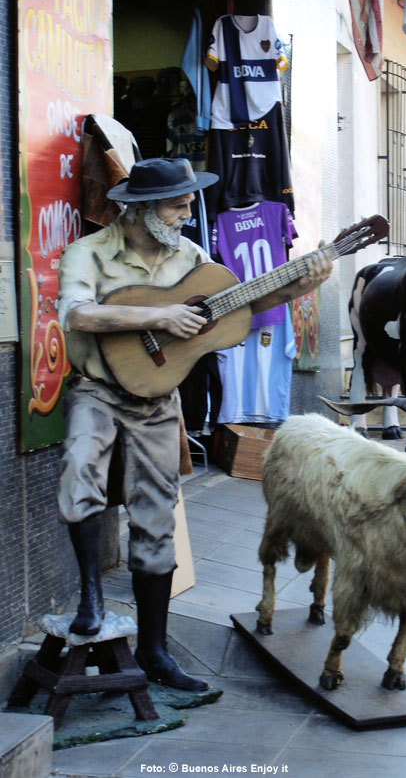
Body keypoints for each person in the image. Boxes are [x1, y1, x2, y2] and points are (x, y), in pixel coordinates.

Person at [56, 157, 333, 691]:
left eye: (188, 202)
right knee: (78, 468)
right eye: (178, 203)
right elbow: (76, 314)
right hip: (97, 389)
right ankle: (90, 595)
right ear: (139, 209)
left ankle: (156, 650)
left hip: (158, 401)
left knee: (157, 514)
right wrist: (156, 316)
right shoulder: (87, 253)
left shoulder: (191, 257)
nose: (189, 211)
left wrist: (299, 285)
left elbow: (236, 305)